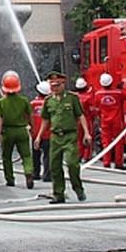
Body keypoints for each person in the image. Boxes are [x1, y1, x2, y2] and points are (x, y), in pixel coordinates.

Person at [35, 71, 90, 204]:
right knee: (54, 166)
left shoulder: (72, 98)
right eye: (52, 85)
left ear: (63, 84)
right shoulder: (48, 101)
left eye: (57, 85)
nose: (55, 88)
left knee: (72, 163)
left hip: (70, 135)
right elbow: (45, 120)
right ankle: (58, 194)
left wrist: (87, 133)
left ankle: (78, 188)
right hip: (55, 137)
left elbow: (80, 116)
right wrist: (38, 137)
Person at [0, 71, 34, 189]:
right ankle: (28, 172)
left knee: (7, 157)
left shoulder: (0, 102)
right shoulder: (24, 100)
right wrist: (31, 127)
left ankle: (10, 179)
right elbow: (29, 116)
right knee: (26, 155)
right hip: (22, 130)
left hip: (7, 132)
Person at [94, 73, 126, 170]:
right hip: (117, 121)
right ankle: (118, 163)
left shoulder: (97, 94)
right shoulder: (118, 93)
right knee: (118, 142)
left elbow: (96, 108)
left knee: (106, 142)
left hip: (104, 121)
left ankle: (106, 162)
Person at [31, 80, 51, 182]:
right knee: (48, 155)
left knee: (35, 155)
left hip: (35, 134)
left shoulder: (33, 104)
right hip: (48, 134)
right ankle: (47, 175)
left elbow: (28, 117)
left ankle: (35, 173)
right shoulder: (51, 103)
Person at [74, 77, 96, 161]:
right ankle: (87, 156)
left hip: (76, 120)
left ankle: (79, 155)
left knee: (78, 139)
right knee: (88, 137)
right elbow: (92, 110)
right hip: (86, 119)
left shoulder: (74, 97)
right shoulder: (88, 97)